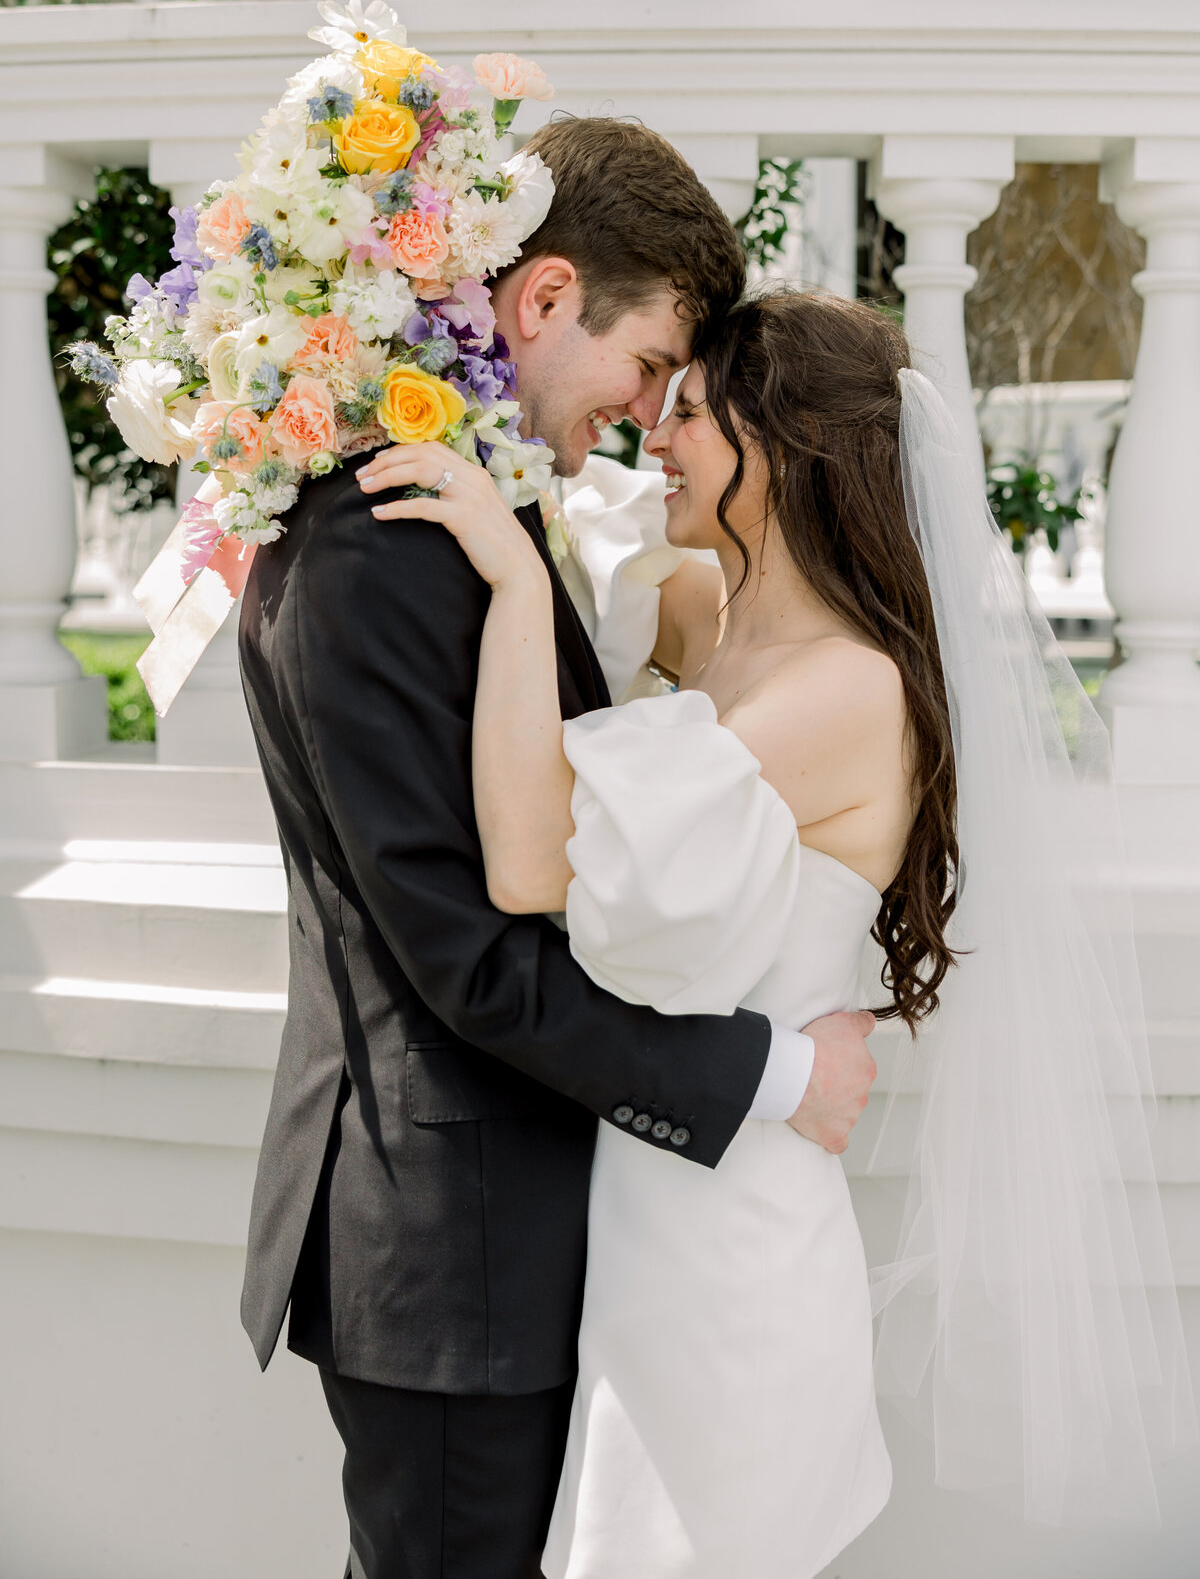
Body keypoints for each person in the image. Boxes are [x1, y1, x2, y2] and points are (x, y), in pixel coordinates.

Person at [361, 283, 1193, 1573]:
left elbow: (532, 866)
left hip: (729, 1247)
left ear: (787, 449)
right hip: (635, 1209)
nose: (658, 431)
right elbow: (607, 541)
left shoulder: (847, 689)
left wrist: (517, 588)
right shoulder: (705, 611)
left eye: (692, 409)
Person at [237, 123, 879, 1579]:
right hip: (452, 1247)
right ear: (543, 301)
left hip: (529, 1240)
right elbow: (470, 954)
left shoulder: (466, 511)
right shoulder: (382, 539)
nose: (652, 415)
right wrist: (772, 1072)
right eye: (651, 365)